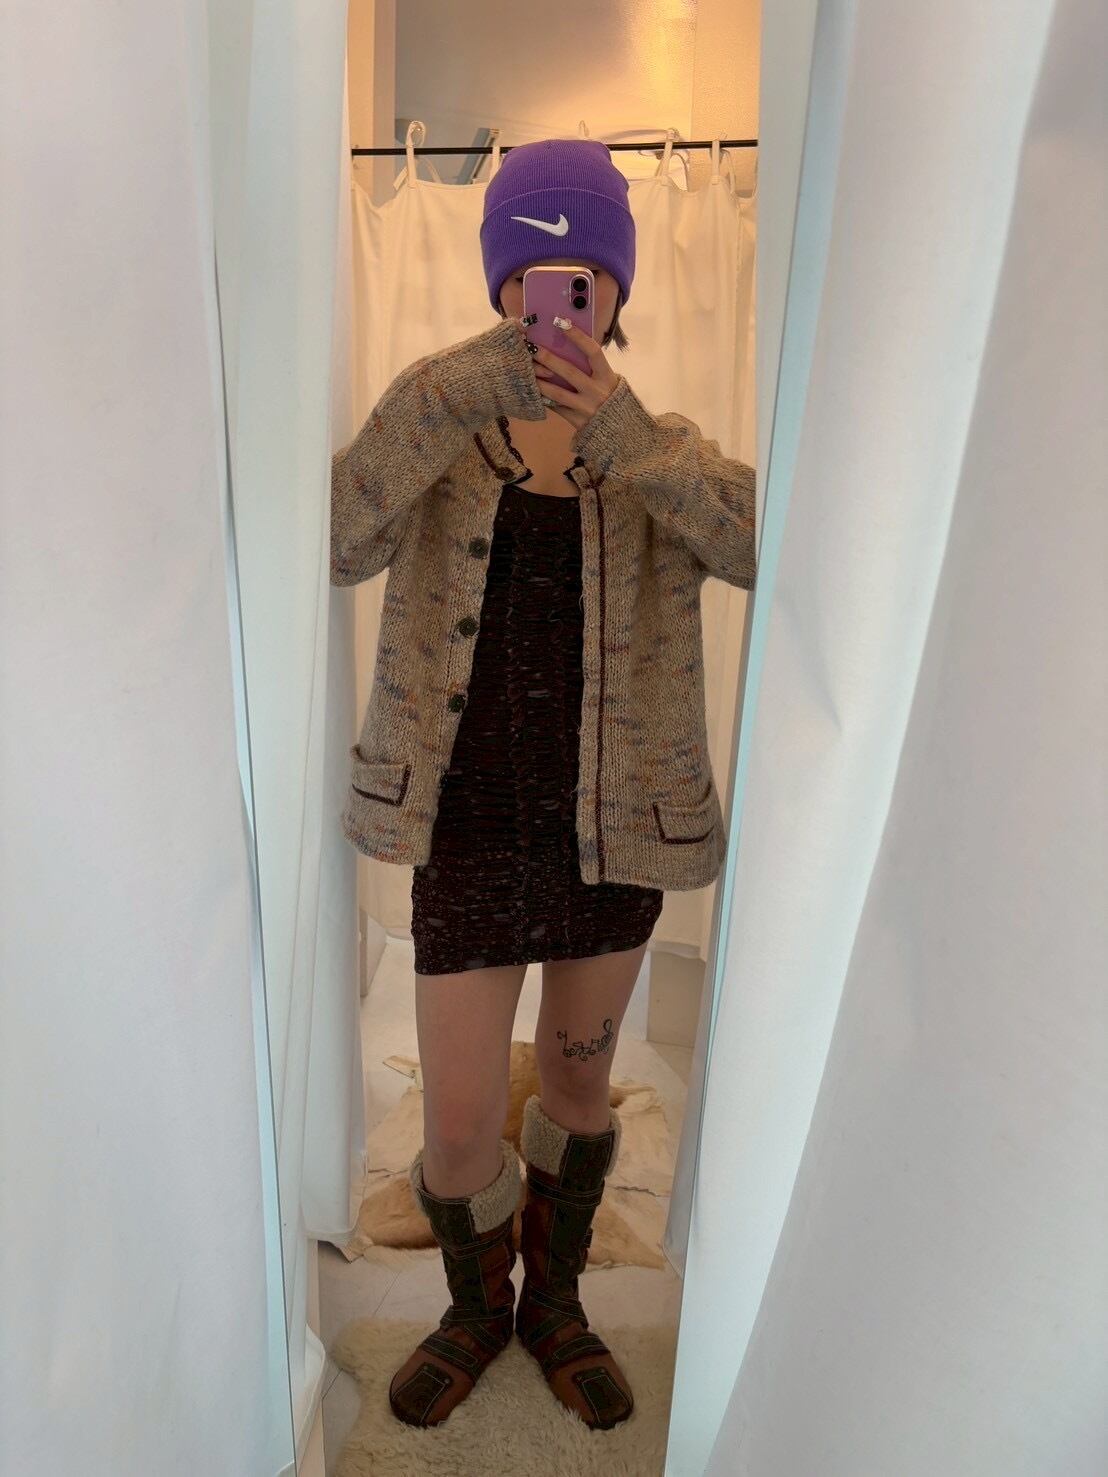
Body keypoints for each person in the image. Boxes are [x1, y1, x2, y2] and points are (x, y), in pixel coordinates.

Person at [329, 137, 757, 1431]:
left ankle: (553, 1305)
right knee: (460, 1125)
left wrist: (627, 438)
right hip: (467, 830)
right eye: (527, 278)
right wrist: (447, 389)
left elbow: (767, 544)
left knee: (575, 1090)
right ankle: (475, 1307)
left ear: (616, 289)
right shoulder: (438, 431)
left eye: (579, 280)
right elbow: (338, 535)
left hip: (614, 839)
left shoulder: (662, 452)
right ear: (498, 288)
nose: (553, 304)